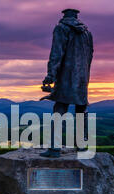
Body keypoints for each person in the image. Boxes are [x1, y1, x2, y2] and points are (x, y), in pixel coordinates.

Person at [40, 8, 94, 158]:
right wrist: (84, 75)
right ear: (76, 17)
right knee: (81, 111)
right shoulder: (86, 33)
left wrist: (51, 74)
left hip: (66, 76)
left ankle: (54, 148)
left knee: (59, 109)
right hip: (82, 77)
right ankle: (82, 146)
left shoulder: (61, 28)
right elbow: (90, 55)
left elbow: (56, 53)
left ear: (64, 16)